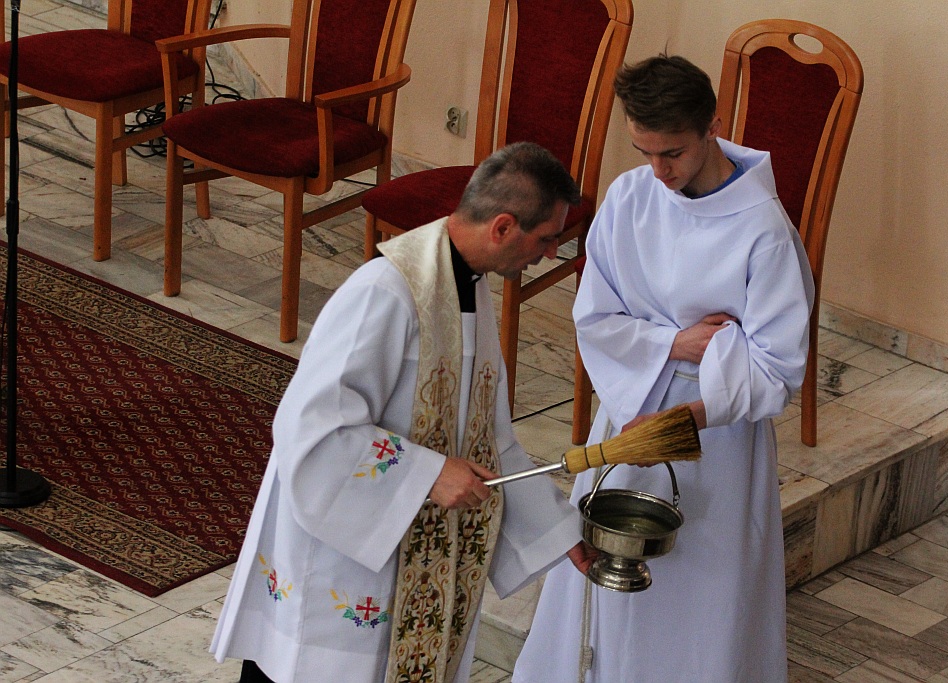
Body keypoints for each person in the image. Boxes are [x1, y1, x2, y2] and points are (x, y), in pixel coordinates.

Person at [211, 142, 598, 683]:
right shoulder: (384, 291)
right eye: (547, 238)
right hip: (342, 556)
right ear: (503, 226)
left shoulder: (470, 290)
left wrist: (563, 533)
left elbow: (487, 439)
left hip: (405, 555)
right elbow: (312, 428)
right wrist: (428, 473)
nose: (550, 254)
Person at [512, 55, 814, 682]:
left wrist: (685, 419)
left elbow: (779, 371)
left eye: (672, 152)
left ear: (712, 127)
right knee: (604, 594)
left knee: (703, 600)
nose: (660, 172)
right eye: (644, 151)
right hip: (631, 411)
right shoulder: (630, 197)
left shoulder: (765, 232)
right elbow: (594, 317)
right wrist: (678, 344)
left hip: (719, 437)